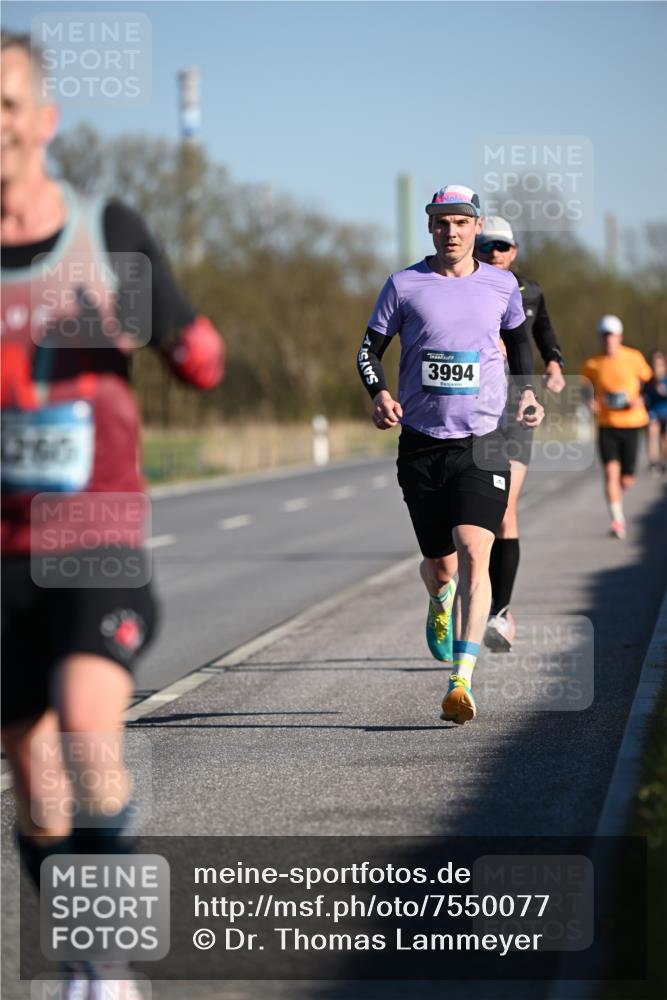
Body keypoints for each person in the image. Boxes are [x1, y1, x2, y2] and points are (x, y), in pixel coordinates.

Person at [1, 31, 224, 998]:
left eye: (7, 104)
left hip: (93, 533)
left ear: (43, 120)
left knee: (93, 733)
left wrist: (155, 329)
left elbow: (202, 359)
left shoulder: (109, 229)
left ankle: (109, 964)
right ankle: (84, 948)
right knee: (34, 776)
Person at [357, 184, 543, 725]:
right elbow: (368, 349)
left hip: (484, 441)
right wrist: (380, 394)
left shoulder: (502, 286)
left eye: (461, 222)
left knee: (473, 551)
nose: (452, 231)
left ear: (476, 227)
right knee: (442, 567)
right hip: (420, 443)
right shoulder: (403, 284)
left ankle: (460, 680)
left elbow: (522, 344)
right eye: (442, 222)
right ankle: (439, 600)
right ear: (431, 226)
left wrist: (527, 390)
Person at [474, 216, 566, 651]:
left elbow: (544, 330)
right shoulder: (463, 289)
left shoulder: (530, 291)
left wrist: (554, 362)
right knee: (474, 522)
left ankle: (499, 613)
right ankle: (470, 597)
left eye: (502, 247)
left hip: (517, 409)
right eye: (487, 246)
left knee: (504, 510)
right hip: (473, 411)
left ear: (513, 251)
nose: (494, 253)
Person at [580, 315, 652, 539]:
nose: (608, 340)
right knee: (610, 473)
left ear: (619, 336)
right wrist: (589, 401)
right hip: (607, 425)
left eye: (611, 335)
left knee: (626, 479)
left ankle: (623, 487)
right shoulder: (592, 363)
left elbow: (649, 382)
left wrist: (641, 399)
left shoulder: (634, 357)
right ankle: (617, 520)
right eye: (604, 336)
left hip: (632, 423)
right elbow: (583, 387)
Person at [644, 349, 667, 475]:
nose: (657, 368)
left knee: (665, 440)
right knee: (652, 431)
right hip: (653, 411)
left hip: (666, 411)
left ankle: (663, 461)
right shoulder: (649, 380)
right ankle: (654, 462)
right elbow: (642, 393)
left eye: (660, 364)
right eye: (655, 365)